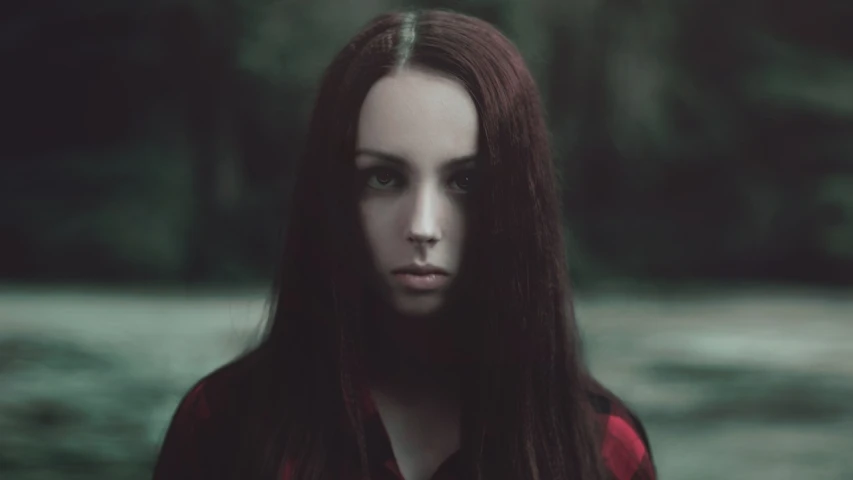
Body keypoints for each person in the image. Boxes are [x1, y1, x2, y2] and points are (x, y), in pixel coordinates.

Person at [153, 9, 656, 480]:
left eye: (465, 182)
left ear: (518, 203)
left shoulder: (605, 449)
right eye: (385, 178)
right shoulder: (223, 427)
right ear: (332, 194)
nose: (422, 226)